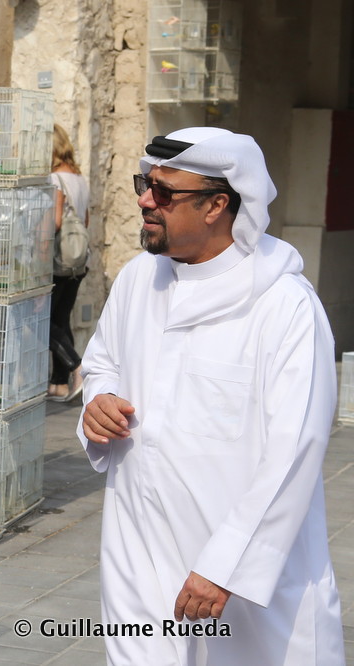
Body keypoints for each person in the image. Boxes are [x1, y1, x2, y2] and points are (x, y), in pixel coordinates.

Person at [78, 127, 343, 664]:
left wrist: (224, 566)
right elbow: (103, 361)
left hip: (242, 585)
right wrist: (98, 400)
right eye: (145, 184)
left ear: (217, 205)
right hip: (139, 555)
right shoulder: (137, 280)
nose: (145, 201)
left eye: (165, 192)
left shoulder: (283, 305)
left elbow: (295, 449)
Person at [48, 123, 89, 402]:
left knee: (42, 322)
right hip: (78, 261)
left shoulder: (54, 180)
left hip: (57, 261)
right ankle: (60, 384)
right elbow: (85, 222)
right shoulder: (80, 179)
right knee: (61, 320)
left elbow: (55, 223)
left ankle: (76, 367)